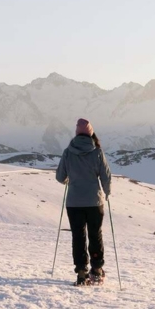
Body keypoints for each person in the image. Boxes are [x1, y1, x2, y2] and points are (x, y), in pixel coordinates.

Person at [56, 118, 112, 285]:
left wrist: (68, 181)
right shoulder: (97, 152)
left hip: (74, 202)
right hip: (94, 202)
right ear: (91, 133)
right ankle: (97, 270)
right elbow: (106, 176)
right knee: (95, 235)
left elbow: (60, 177)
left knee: (78, 236)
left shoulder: (68, 152)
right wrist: (107, 192)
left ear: (76, 133)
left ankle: (82, 273)